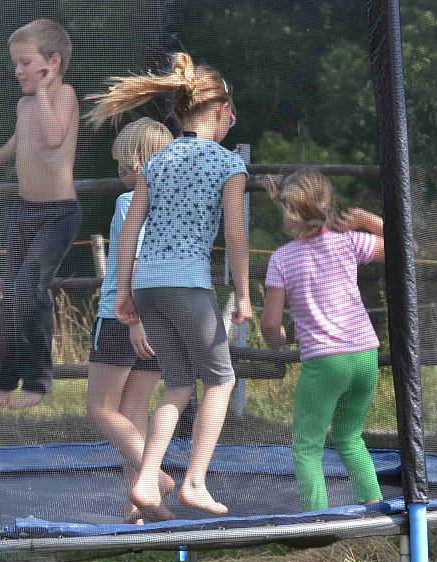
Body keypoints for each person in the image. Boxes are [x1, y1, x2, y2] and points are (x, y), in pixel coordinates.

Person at [86, 52, 252, 520]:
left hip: (148, 290)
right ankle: (194, 481)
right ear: (222, 113)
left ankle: (145, 478)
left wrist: (125, 297)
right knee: (221, 379)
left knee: (178, 384)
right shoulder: (227, 165)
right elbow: (236, 236)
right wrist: (242, 294)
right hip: (187, 285)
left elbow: (131, 228)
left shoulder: (156, 164)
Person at [260, 170, 384, 512]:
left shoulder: (282, 259)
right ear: (328, 208)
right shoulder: (349, 242)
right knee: (350, 437)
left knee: (307, 445)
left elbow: (271, 323)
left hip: (325, 362)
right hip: (365, 355)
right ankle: (374, 507)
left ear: (290, 211)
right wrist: (365, 219)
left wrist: (277, 340)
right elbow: (405, 245)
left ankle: (318, 519)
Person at [0, 18, 81, 410]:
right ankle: (4, 379)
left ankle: (37, 379)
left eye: (25, 63)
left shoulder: (64, 96)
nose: (18, 71)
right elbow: (22, 140)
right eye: (15, 64)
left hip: (58, 214)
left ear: (51, 63)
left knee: (27, 290)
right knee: (15, 296)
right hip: (24, 213)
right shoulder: (24, 105)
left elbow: (53, 136)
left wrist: (43, 91)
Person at [86, 117, 174, 524]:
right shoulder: (173, 207)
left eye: (128, 163)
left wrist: (133, 319)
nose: (122, 171)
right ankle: (138, 505)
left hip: (125, 316)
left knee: (100, 409)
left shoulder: (131, 203)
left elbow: (133, 263)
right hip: (163, 317)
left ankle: (153, 477)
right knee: (134, 409)